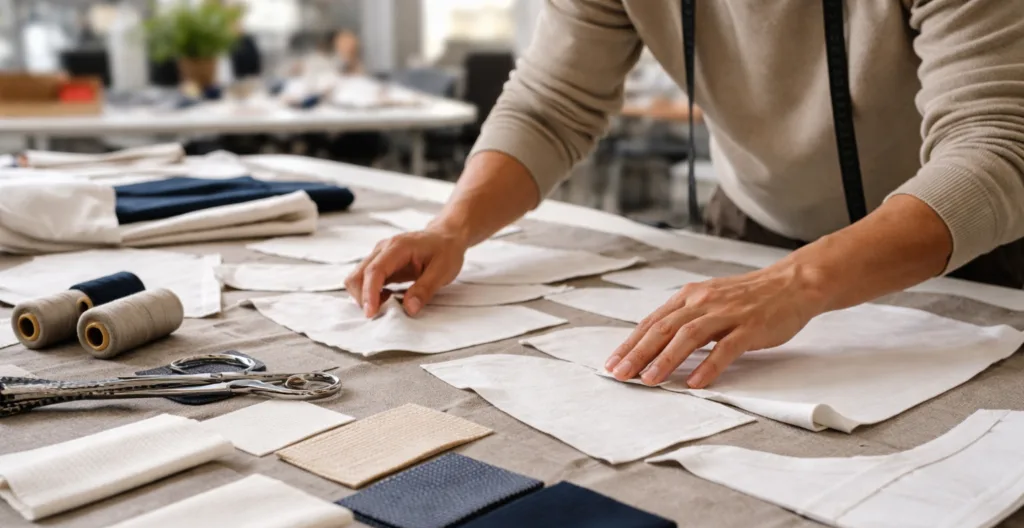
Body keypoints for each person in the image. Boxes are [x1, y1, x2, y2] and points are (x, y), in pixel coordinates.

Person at [346, 0, 1024, 391]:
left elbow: (995, 145)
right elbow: (551, 106)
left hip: (973, 245)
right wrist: (455, 225)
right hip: (757, 235)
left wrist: (803, 280)